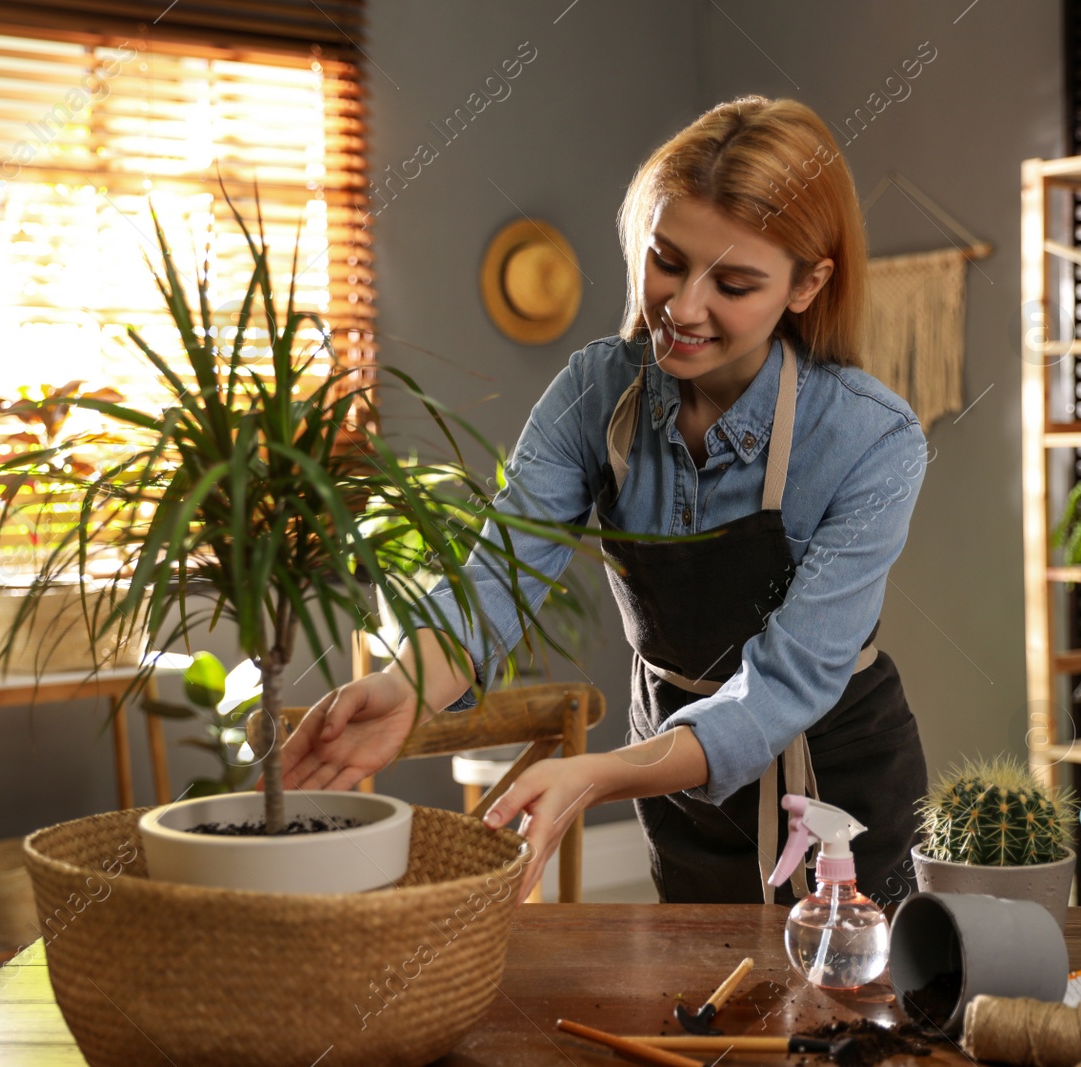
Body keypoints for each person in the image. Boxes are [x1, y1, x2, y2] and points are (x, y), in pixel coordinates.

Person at [278, 95, 931, 907]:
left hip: (840, 795)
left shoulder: (871, 439)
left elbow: (787, 681)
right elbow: (499, 575)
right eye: (666, 259)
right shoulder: (595, 392)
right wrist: (407, 686)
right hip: (674, 790)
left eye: (733, 283)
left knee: (854, 1024)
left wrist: (598, 775)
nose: (684, 308)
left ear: (807, 284)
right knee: (700, 1020)